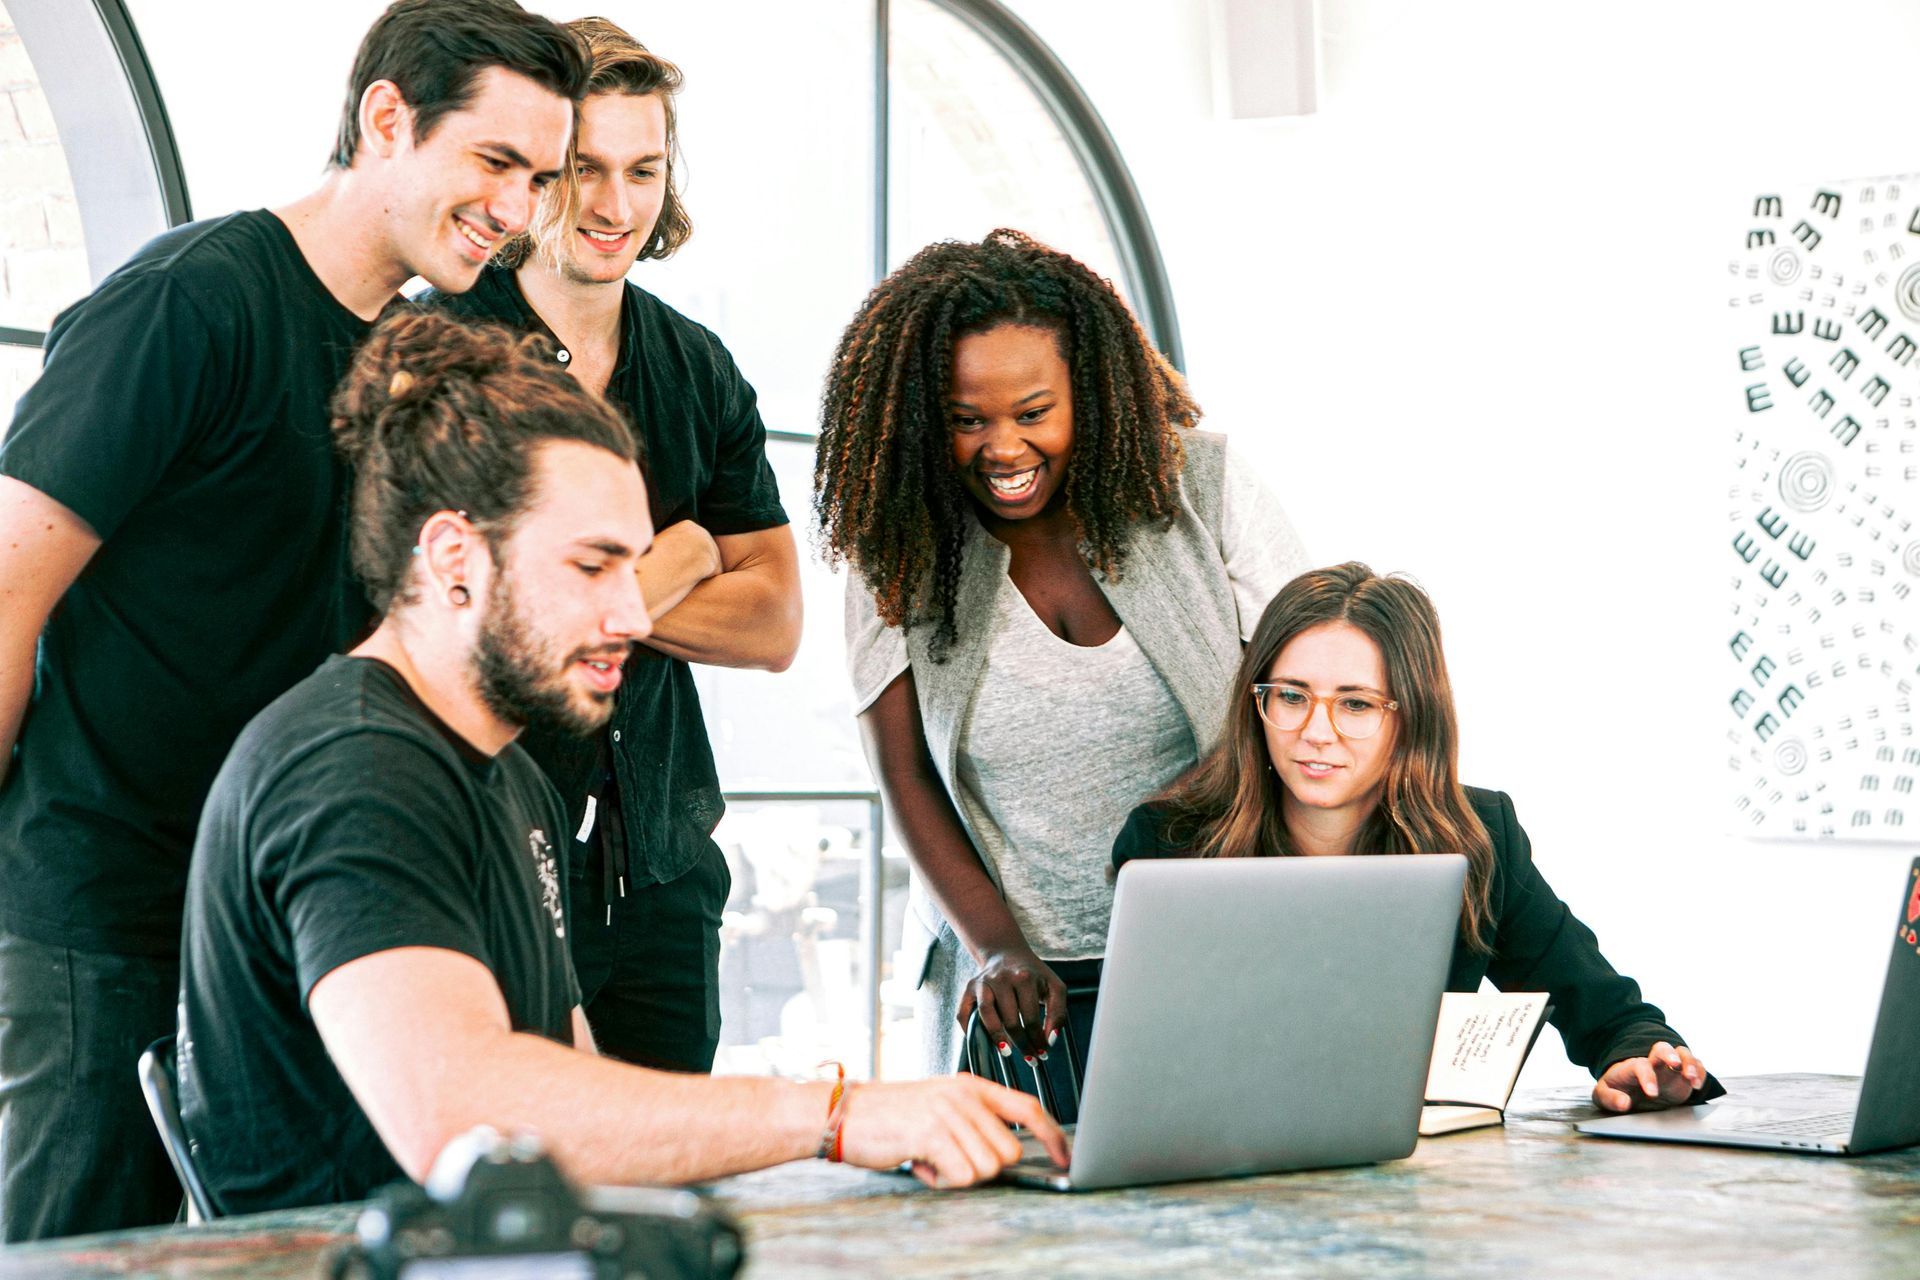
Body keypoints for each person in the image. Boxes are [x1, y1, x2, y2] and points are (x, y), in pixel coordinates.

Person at [175, 310, 1063, 1214]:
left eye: (633, 569)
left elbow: (580, 1099)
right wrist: (836, 1117)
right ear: (453, 558)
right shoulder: (353, 769)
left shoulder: (510, 775)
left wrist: (852, 1147)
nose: (636, 618)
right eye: (592, 567)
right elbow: (468, 1118)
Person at [0, 0, 587, 1240]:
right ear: (386, 118)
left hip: (290, 912)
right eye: (495, 162)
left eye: (540, 177)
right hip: (105, 901)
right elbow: (6, 587)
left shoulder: (432, 350)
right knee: (77, 1250)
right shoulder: (186, 305)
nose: (521, 209)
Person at [814, 230, 1309, 1077]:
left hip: (1216, 949)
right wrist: (998, 949)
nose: (1002, 449)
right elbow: (905, 774)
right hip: (1016, 986)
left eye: (1033, 413)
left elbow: (1304, 702)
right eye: (968, 420)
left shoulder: (1204, 486)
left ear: (1092, 391)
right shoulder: (897, 542)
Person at [425, 17, 801, 1074]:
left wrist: (581, 589)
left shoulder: (699, 367)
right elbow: (458, 614)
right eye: (583, 168)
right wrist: (681, 554)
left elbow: (774, 621)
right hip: (487, 858)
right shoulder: (441, 349)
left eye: (644, 169)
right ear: (535, 173)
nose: (614, 205)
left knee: (663, 1208)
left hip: (664, 873)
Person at [1112, 562, 1722, 1112]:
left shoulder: (1478, 840)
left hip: (1408, 1180)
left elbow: (1607, 1013)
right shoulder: (1170, 844)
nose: (1315, 731)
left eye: (1355, 705)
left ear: (1410, 717)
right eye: (1292, 696)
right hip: (1214, 1165)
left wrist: (1641, 1062)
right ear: (1257, 705)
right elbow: (1141, 1060)